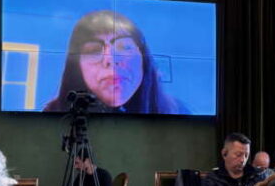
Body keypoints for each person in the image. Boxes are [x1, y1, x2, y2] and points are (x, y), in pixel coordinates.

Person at [42, 9, 189, 114]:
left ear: (143, 59)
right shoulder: (54, 113)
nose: (110, 60)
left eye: (124, 47)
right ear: (77, 67)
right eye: (94, 50)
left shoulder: (176, 111)